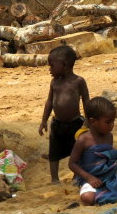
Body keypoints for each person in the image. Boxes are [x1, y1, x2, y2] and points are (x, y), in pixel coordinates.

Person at [69, 97, 117, 205]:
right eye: (108, 122)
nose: (112, 125)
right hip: (90, 178)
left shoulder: (109, 136)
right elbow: (72, 164)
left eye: (113, 121)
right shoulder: (83, 140)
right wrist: (89, 177)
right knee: (87, 199)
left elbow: (108, 157)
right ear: (93, 121)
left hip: (108, 175)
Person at [38, 45, 90, 184]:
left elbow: (86, 101)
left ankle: (75, 176)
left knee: (77, 151)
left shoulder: (78, 81)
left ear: (64, 65)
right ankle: (54, 178)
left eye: (52, 65)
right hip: (57, 124)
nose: (50, 69)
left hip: (75, 123)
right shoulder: (54, 82)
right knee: (53, 152)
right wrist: (44, 120)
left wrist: (88, 121)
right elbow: (49, 101)